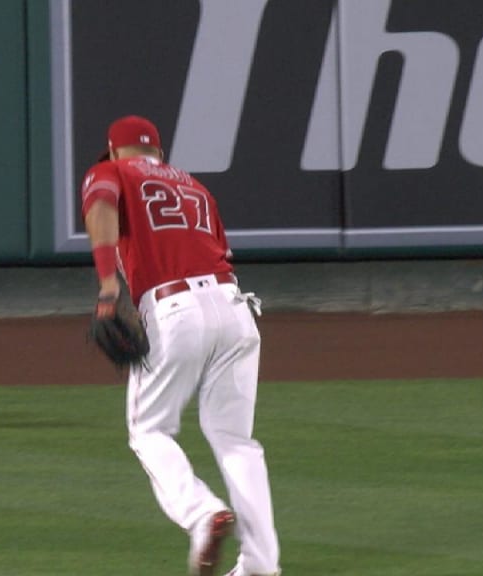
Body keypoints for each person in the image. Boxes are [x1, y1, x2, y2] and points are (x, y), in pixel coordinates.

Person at [80, 115, 281, 576]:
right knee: (236, 441)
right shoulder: (195, 188)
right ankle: (261, 566)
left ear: (114, 151)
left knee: (149, 431)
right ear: (159, 154)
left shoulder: (109, 172)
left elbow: (101, 209)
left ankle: (201, 514)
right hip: (235, 308)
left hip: (175, 311)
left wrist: (109, 287)